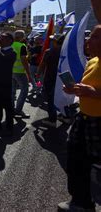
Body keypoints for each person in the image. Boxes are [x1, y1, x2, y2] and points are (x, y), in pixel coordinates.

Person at [58, 25, 101, 211]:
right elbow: (86, 88)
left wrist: (95, 92)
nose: (87, 41)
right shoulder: (93, 61)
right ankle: (80, 202)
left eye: (94, 37)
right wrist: (74, 89)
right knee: (76, 159)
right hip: (84, 118)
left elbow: (93, 90)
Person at [36, 34, 64, 127]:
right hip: (64, 79)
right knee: (64, 97)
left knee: (51, 99)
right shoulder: (66, 52)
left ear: (56, 42)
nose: (51, 42)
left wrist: (38, 74)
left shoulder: (49, 51)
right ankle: (66, 116)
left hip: (50, 78)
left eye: (53, 40)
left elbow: (42, 64)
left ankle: (52, 120)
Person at [11, 30, 32, 118]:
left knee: (12, 91)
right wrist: (29, 74)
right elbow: (24, 61)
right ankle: (18, 110)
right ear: (22, 37)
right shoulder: (22, 46)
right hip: (20, 72)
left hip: (10, 72)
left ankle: (11, 110)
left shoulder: (10, 45)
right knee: (24, 90)